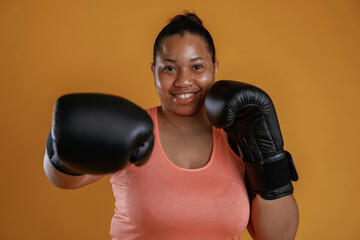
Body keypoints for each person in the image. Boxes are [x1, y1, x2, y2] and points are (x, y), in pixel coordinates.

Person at [44, 13, 299, 239]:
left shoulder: (240, 138)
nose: (183, 80)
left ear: (215, 69)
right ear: (154, 71)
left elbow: (278, 236)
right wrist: (61, 141)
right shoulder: (134, 130)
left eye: (197, 66)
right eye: (169, 68)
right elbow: (62, 180)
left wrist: (268, 158)